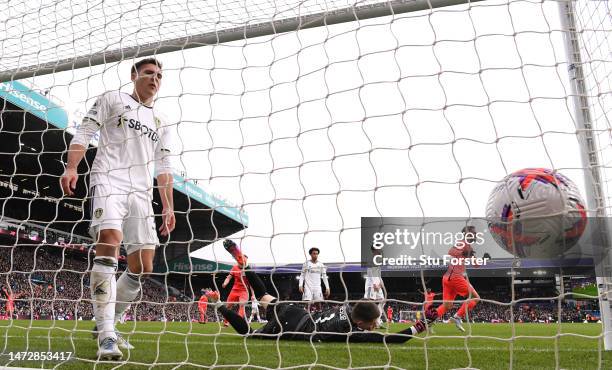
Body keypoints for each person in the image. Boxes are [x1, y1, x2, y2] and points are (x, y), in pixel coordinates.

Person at [60, 57, 176, 360]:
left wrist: (168, 206)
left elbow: (164, 167)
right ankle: (107, 333)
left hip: (141, 192)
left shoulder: (162, 121)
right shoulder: (113, 98)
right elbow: (85, 131)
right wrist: (71, 168)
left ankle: (110, 322)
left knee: (143, 266)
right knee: (109, 241)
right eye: (149, 73)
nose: (155, 79)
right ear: (134, 75)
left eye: (160, 75)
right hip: (109, 179)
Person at [206, 239, 437, 343]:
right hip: (292, 327)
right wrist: (420, 325)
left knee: (265, 295)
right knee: (249, 333)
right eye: (374, 323)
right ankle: (219, 306)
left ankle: (243, 263)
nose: (375, 326)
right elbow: (390, 340)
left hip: (294, 311)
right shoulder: (349, 332)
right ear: (362, 323)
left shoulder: (348, 308)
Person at [435, 225, 481, 332]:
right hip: (455, 277)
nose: (475, 234)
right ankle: (457, 317)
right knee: (476, 298)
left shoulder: (469, 247)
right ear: (467, 233)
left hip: (448, 278)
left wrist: (483, 259)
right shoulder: (462, 243)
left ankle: (428, 321)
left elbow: (476, 265)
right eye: (473, 232)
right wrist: (463, 253)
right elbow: (450, 251)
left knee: (447, 305)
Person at [221, 262, 250, 327]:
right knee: (228, 306)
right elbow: (229, 277)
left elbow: (251, 283)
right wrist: (225, 283)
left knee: (242, 305)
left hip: (244, 291)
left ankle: (238, 322)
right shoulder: (235, 267)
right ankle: (226, 322)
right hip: (235, 290)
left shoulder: (248, 269)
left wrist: (253, 295)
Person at [364, 246, 386, 328]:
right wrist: (374, 284)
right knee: (369, 304)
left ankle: (376, 322)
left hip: (378, 285)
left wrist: (381, 284)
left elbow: (379, 275)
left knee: (383, 301)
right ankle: (367, 322)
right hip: (371, 286)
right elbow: (369, 272)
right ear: (374, 250)